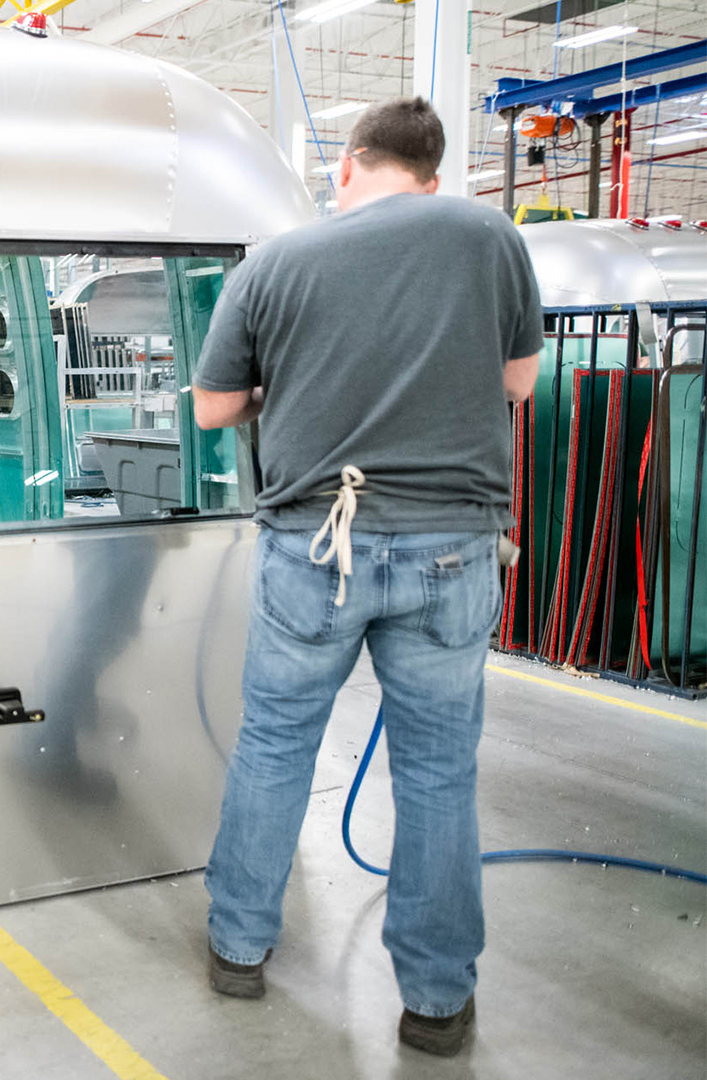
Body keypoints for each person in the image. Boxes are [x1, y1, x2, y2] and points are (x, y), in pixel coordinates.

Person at [191, 98, 541, 1058]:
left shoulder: (278, 260)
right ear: (431, 173)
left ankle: (239, 946)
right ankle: (434, 1002)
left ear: (348, 165)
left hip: (312, 544)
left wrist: (289, 387)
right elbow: (517, 385)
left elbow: (216, 406)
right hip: (451, 547)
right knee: (435, 774)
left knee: (274, 746)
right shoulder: (488, 235)